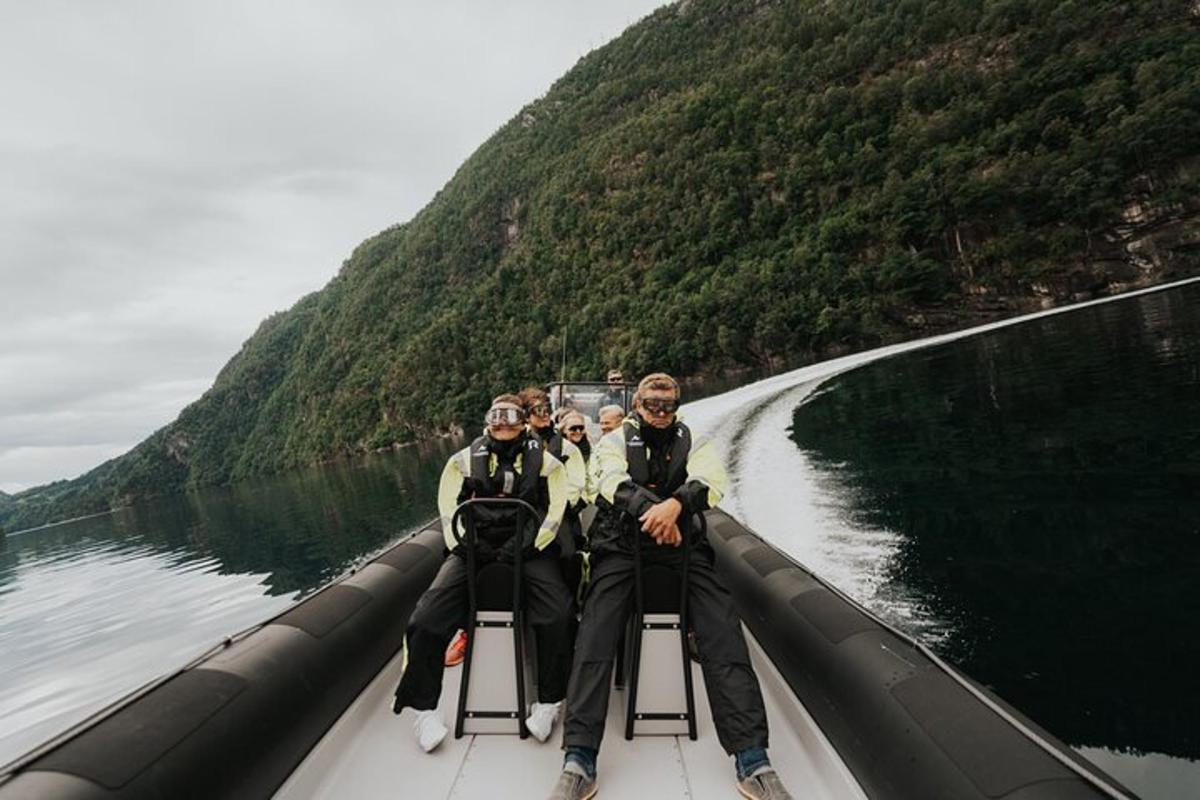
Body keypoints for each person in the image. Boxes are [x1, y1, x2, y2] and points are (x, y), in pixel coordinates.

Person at [547, 374, 793, 800]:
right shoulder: (613, 442)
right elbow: (610, 483)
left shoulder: (694, 441)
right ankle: (580, 756)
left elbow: (711, 481)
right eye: (651, 405)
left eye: (667, 405)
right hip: (622, 549)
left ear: (676, 406)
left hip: (683, 548)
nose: (659, 413)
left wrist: (676, 506)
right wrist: (656, 513)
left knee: (722, 630)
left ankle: (752, 757)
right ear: (637, 405)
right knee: (595, 635)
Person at [393, 395, 574, 750]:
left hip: (529, 546)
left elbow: (555, 512)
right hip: (473, 548)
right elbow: (448, 513)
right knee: (425, 618)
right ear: (488, 422)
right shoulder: (460, 463)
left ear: (523, 423)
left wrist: (523, 547)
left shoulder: (549, 464)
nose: (504, 427)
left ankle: (549, 701)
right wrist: (467, 546)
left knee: (559, 614)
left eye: (511, 420)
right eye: (497, 420)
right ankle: (425, 710)